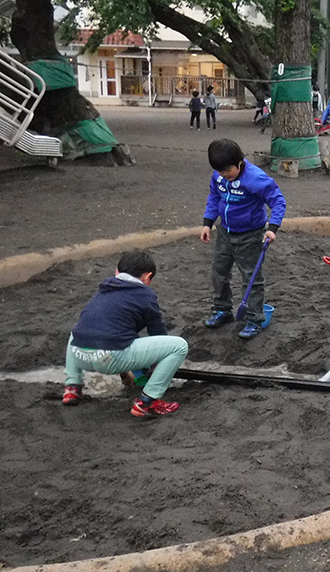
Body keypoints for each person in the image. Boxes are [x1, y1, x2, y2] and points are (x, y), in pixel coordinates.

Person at [62, 250, 189, 418]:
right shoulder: (145, 295)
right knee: (179, 346)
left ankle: (72, 387)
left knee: (80, 330)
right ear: (147, 276)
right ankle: (148, 402)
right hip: (109, 357)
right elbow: (157, 333)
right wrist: (155, 368)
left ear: (117, 272)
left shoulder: (103, 289)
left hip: (78, 354)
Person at [200, 139, 287, 339]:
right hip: (225, 231)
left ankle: (254, 318)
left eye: (228, 170)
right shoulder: (219, 176)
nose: (224, 175)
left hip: (250, 235)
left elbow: (278, 200)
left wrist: (272, 228)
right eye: (220, 171)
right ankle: (222, 309)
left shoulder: (256, 178)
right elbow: (214, 197)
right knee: (219, 272)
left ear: (239, 162)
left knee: (252, 278)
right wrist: (208, 222)